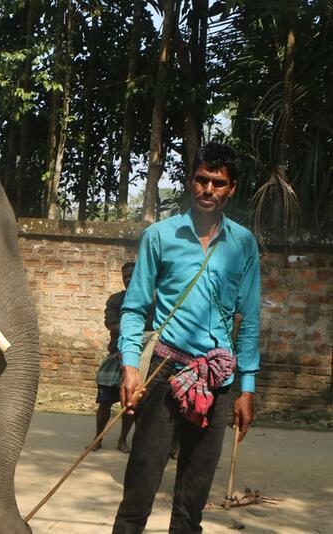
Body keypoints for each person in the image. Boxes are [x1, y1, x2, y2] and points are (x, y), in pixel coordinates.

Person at [112, 141, 260, 533]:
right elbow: (134, 308)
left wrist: (247, 389)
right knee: (139, 492)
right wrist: (129, 367)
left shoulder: (244, 244)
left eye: (219, 183)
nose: (208, 189)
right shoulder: (160, 237)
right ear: (190, 181)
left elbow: (250, 320)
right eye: (202, 180)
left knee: (191, 506)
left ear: (232, 189)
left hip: (218, 383)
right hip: (165, 373)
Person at [93, 261, 142, 453]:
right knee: (104, 400)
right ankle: (98, 438)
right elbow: (111, 325)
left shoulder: (151, 301)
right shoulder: (115, 300)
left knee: (129, 403)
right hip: (115, 355)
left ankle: (123, 440)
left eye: (132, 275)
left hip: (138, 358)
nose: (128, 279)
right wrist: (135, 329)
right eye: (125, 276)